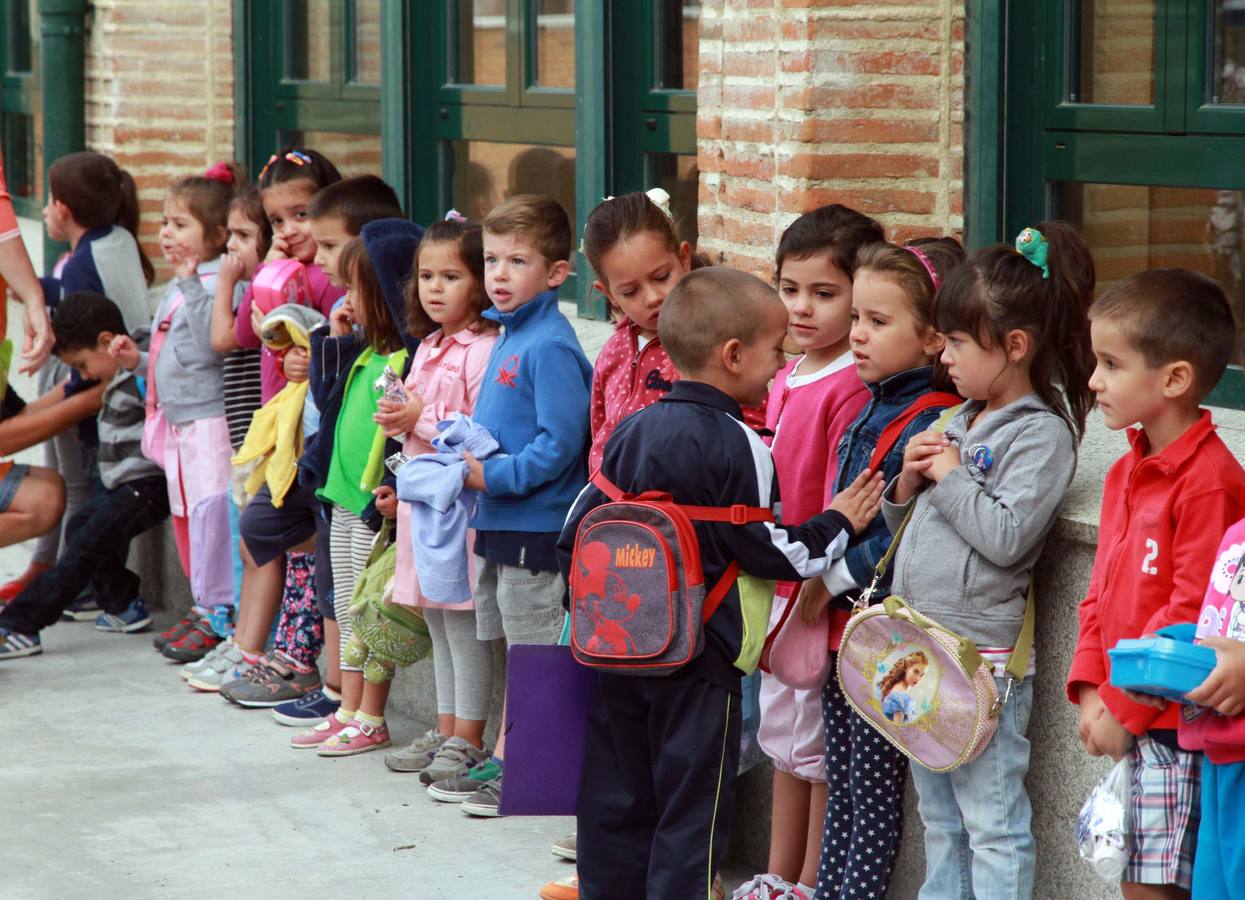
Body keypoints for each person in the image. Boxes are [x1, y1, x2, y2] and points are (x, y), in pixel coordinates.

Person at [556, 266, 885, 899]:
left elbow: (576, 525)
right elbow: (772, 552)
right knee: (692, 811)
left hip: (618, 649)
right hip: (699, 659)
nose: (778, 366)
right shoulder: (742, 443)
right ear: (734, 356)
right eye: (775, 351)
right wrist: (838, 521)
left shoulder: (633, 428)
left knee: (615, 797)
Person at [882, 222, 1096, 900]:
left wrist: (947, 479)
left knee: (992, 821)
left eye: (955, 343)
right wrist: (905, 487)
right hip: (920, 643)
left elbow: (1006, 538)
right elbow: (913, 527)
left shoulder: (1040, 434)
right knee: (938, 817)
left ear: (1014, 347)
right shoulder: (957, 418)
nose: (942, 356)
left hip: (982, 659)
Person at [191, 174, 404, 708]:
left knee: (356, 595)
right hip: (322, 469)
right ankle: (321, 681)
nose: (296, 233)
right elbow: (257, 343)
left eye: (330, 241)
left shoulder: (393, 340)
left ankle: (339, 693)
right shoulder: (333, 306)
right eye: (278, 221)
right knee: (310, 565)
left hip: (359, 490)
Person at [1066, 268, 1245, 899]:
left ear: (1173, 379)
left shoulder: (1211, 482)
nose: (1094, 381)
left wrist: (1124, 708)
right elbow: (1098, 594)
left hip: (1177, 727)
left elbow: (1195, 616)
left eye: (1111, 364)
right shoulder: (1124, 472)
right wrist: (1091, 690)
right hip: (1129, 715)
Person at [795, 236, 964, 900]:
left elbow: (903, 534)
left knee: (869, 797)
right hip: (847, 636)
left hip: (888, 641)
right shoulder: (874, 400)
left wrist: (828, 581)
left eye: (877, 322)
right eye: (857, 318)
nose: (856, 336)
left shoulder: (928, 420)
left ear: (931, 339)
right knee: (844, 786)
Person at [422, 193, 592, 818]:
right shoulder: (512, 335)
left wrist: (492, 476)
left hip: (535, 528)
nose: (497, 274)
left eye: (516, 261)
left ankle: (534, 772)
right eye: (491, 259)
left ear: (555, 273)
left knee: (538, 657)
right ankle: (508, 753)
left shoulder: (548, 344)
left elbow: (561, 445)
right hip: (501, 525)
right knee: (511, 652)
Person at [733, 204, 878, 900]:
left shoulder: (849, 381)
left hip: (817, 584)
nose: (801, 308)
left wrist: (820, 570)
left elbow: (843, 496)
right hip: (778, 577)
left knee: (815, 747)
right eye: (789, 289)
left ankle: (810, 881)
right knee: (782, 739)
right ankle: (776, 872)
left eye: (824, 293)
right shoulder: (787, 372)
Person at [0, 151, 155, 607]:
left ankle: (91, 588)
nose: (44, 209)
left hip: (107, 402)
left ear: (63, 208)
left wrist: (76, 393)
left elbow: (85, 336)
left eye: (47, 200)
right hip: (107, 391)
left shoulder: (86, 263)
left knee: (91, 496)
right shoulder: (119, 241)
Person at [287, 225, 419, 754]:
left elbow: (401, 435)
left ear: (386, 293)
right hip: (341, 498)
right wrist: (335, 340)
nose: (345, 300)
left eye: (355, 291)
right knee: (345, 604)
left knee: (370, 612)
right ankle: (348, 709)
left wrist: (389, 485)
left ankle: (372, 714)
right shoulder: (363, 353)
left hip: (371, 506)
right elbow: (327, 402)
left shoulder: (403, 361)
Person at [378, 215, 500, 779]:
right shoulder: (427, 346)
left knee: (466, 620)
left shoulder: (484, 349)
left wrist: (419, 416)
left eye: (450, 276)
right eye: (426, 276)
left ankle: (468, 737)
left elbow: (483, 430)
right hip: (422, 506)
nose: (433, 287)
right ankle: (446, 727)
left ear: (480, 280)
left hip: (460, 509)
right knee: (438, 618)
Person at [108, 163, 242, 653]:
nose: (167, 233)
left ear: (218, 234)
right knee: (187, 516)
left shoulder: (213, 285)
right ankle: (204, 603)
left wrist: (189, 284)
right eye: (165, 222)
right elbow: (174, 355)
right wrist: (138, 360)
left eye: (180, 224)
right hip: (180, 423)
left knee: (211, 515)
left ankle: (221, 611)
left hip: (208, 421)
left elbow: (210, 348)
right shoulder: (184, 283)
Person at [0, 292, 168, 658]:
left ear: (107, 342)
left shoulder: (145, 363)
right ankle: (124, 606)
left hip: (148, 485)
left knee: (83, 549)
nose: (85, 376)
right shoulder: (106, 372)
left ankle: (20, 625)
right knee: (81, 528)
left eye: (82, 365)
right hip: (124, 485)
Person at [234, 147, 345, 403]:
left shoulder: (330, 275)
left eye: (301, 214)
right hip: (275, 404)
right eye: (277, 221)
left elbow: (335, 349)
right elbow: (244, 335)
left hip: (311, 409)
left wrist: (283, 347)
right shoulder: (275, 267)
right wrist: (266, 270)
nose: (289, 229)